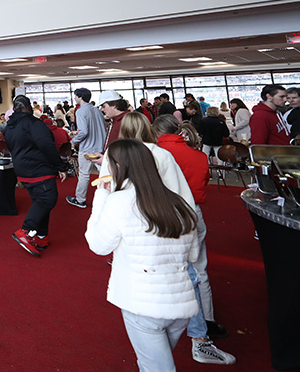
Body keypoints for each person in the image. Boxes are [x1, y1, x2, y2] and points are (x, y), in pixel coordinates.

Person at [85, 139, 200, 372]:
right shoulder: (179, 202)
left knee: (156, 368)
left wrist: (101, 197)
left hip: (143, 305)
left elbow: (98, 245)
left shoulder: (119, 201)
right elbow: (193, 253)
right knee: (152, 363)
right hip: (181, 304)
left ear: (117, 167)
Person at [152, 115, 236, 365]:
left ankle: (168, 321)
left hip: (165, 214)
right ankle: (205, 323)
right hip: (193, 213)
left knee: (165, 269)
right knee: (199, 271)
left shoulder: (156, 154)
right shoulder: (198, 156)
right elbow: (202, 184)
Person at [4, 95, 69, 256]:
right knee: (47, 199)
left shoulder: (9, 126)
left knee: (39, 202)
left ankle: (41, 236)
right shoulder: (34, 124)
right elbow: (47, 146)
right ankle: (26, 231)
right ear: (30, 108)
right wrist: (60, 166)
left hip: (22, 169)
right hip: (39, 168)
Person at [66, 88, 106, 209]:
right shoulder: (97, 110)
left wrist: (73, 141)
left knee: (84, 174)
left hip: (87, 148)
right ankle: (110, 196)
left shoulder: (80, 111)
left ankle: (80, 200)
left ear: (80, 97)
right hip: (100, 147)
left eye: (75, 96)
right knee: (105, 173)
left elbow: (84, 132)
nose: (74, 98)